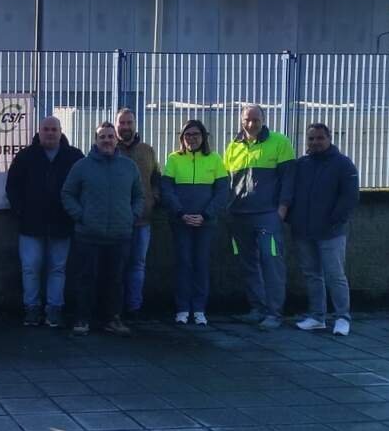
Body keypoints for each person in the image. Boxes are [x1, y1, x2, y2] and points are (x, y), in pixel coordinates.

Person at [61, 122, 143, 336]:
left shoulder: (129, 167)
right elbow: (67, 193)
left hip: (120, 234)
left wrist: (132, 215)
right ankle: (82, 319)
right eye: (102, 137)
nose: (107, 140)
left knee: (115, 280)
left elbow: (139, 196)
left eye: (110, 136)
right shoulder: (82, 166)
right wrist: (81, 216)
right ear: (95, 141)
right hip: (88, 235)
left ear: (116, 140)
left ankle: (112, 319)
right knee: (85, 278)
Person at [5, 117, 85, 328]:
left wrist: (75, 213)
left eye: (54, 129)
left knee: (57, 268)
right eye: (46, 129)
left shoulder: (74, 156)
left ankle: (54, 309)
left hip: (62, 223)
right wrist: (20, 211)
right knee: (30, 268)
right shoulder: (25, 156)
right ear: (39, 131)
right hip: (31, 224)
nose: (50, 133)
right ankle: (31, 308)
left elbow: (84, 187)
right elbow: (12, 187)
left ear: (60, 131)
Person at [224, 104, 295, 330]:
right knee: (248, 264)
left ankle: (274, 313)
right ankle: (258, 308)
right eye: (247, 119)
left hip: (267, 215)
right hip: (239, 216)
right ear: (241, 120)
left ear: (263, 120)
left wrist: (282, 208)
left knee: (271, 263)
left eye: (255, 119)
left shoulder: (280, 142)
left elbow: (289, 179)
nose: (251, 124)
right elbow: (227, 182)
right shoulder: (233, 146)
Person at [290, 123, 359, 336]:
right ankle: (317, 317)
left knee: (335, 275)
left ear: (329, 139)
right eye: (311, 138)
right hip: (303, 230)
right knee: (312, 274)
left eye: (320, 138)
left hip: (331, 232)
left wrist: (335, 220)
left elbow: (350, 197)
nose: (315, 142)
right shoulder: (301, 164)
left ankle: (342, 317)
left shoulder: (343, 164)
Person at [160, 120, 229, 326]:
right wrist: (181, 213)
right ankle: (182, 309)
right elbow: (167, 190)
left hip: (205, 223)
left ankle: (199, 309)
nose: (191, 138)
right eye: (187, 135)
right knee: (183, 264)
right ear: (182, 138)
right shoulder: (173, 158)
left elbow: (222, 192)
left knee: (201, 264)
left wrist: (206, 215)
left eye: (196, 134)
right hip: (180, 222)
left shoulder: (215, 159)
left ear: (203, 137)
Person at [115, 108, 161, 317]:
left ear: (135, 125)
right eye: (122, 123)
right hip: (115, 221)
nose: (126, 127)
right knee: (116, 266)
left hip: (143, 219)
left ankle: (134, 307)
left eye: (129, 123)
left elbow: (156, 177)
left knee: (137, 265)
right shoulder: (109, 147)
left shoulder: (147, 150)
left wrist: (155, 197)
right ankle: (114, 308)